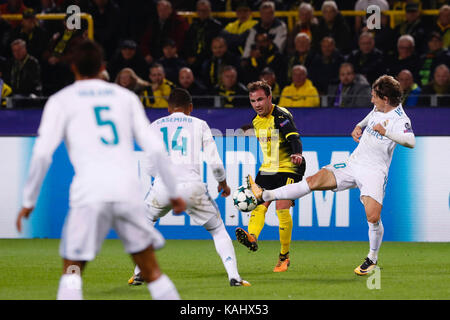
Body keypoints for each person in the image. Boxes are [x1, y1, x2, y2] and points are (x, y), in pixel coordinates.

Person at [15, 40, 185, 300]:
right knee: (152, 272)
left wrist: (28, 201)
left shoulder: (62, 101)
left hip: (89, 195)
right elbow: (155, 149)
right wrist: (174, 192)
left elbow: (41, 154)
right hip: (127, 194)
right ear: (103, 67)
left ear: (73, 68)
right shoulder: (125, 98)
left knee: (72, 270)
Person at [246, 75, 416, 276]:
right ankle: (265, 195)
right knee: (313, 181)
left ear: (385, 98)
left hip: (374, 172)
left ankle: (372, 258)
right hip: (353, 163)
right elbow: (371, 115)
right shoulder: (378, 109)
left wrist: (387, 133)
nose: (371, 100)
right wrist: (359, 125)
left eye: (374, 97)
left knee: (373, 217)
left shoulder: (400, 119)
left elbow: (410, 141)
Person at [128, 88, 250, 287]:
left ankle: (139, 272)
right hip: (192, 187)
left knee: (146, 222)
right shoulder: (200, 124)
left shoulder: (154, 126)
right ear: (190, 108)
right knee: (218, 230)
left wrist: (161, 179)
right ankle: (234, 276)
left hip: (162, 187)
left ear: (168, 108)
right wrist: (223, 183)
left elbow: (149, 164)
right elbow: (215, 162)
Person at [234, 80, 306, 273]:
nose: (257, 104)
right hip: (268, 168)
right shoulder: (256, 121)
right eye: (253, 101)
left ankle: (284, 256)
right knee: (258, 204)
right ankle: (252, 238)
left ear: (269, 98)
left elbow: (294, 137)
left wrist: (297, 153)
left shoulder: (280, 115)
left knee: (281, 208)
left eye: (260, 99)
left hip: (290, 166)